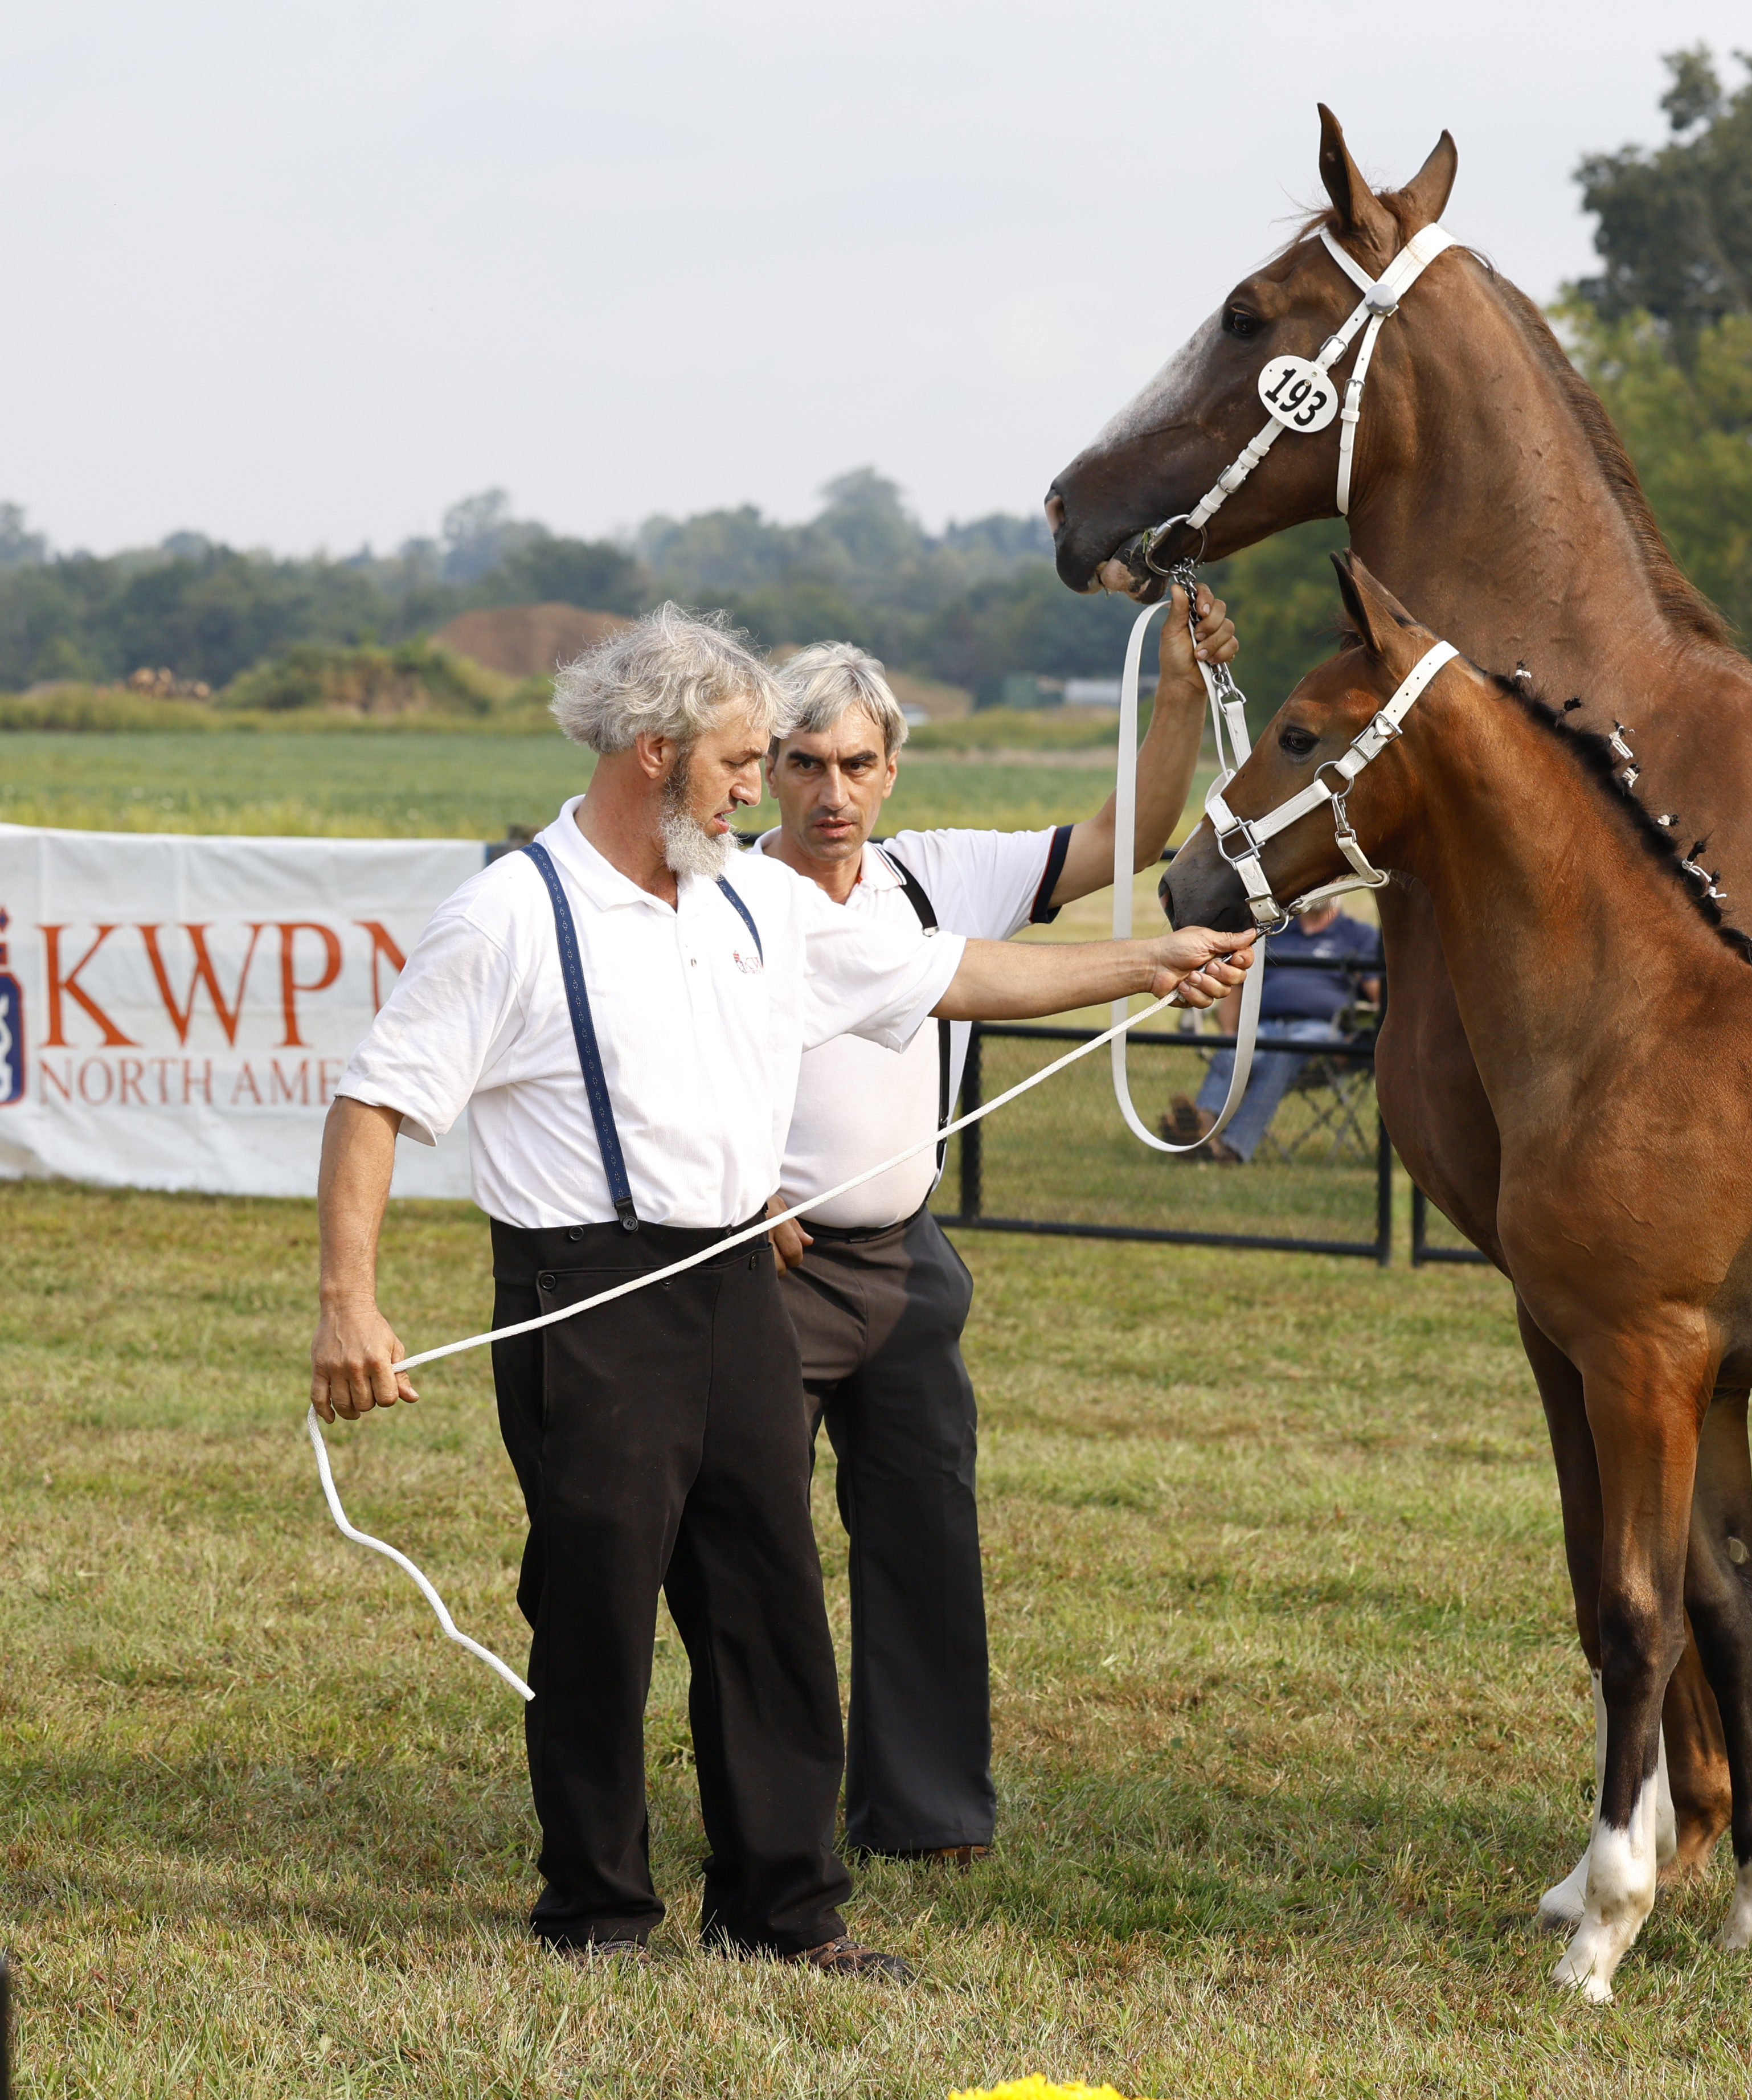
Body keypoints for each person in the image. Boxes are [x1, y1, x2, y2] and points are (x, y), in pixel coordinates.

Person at [307, 604, 1252, 1975]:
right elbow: (376, 1102)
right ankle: (600, 1911)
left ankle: (785, 1908)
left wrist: (1147, 965)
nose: (765, 788)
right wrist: (351, 1303)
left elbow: (953, 973)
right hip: (587, 1298)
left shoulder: (754, 899)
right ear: (652, 751)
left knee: (771, 1609)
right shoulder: (514, 912)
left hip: (736, 1291)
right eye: (745, 760)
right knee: (598, 1612)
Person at [754, 586, 1235, 1866]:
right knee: (756, 1555)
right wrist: (732, 1192)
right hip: (767, 1269)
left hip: (904, 1262)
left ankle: (923, 1816)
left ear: (891, 768)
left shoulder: (934, 873)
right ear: (762, 773)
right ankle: (775, 1820)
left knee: (925, 1533)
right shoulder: (725, 905)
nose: (831, 792)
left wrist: (1177, 691)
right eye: (802, 764)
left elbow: (1127, 832)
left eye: (856, 763)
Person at [1156, 892, 1382, 1163]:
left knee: (1282, 1054)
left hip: (1323, 1034)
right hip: (1265, 1026)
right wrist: (1230, 1034)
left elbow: (1381, 998)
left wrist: (1356, 1040)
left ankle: (1231, 1149)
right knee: (1233, 1051)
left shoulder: (1357, 935)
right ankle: (1199, 1129)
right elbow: (1239, 984)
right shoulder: (1278, 932)